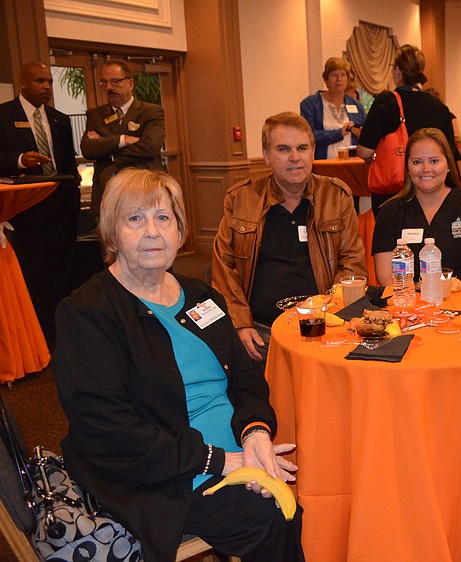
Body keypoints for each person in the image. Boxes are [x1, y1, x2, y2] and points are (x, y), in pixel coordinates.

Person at [53, 168, 305, 562]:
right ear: (112, 233)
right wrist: (220, 461)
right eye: (134, 219)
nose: (152, 231)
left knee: (300, 483)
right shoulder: (87, 313)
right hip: (160, 472)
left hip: (237, 448)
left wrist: (256, 434)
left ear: (180, 230)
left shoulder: (200, 295)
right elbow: (107, 428)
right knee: (272, 515)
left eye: (163, 217)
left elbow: (246, 378)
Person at [212, 112, 366, 361]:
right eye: (283, 149)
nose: (295, 157)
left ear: (312, 151)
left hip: (323, 325)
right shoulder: (241, 199)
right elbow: (224, 270)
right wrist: (241, 324)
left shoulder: (336, 196)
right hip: (261, 330)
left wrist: (327, 315)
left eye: (302, 148)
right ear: (266, 155)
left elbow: (352, 265)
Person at [0, 62, 80, 345]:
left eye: (49, 81)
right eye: (39, 81)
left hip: (62, 211)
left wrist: (74, 199)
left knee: (62, 276)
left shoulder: (60, 119)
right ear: (22, 83)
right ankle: (40, 338)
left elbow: (69, 163)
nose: (46, 86)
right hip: (27, 213)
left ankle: (62, 335)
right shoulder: (4, 115)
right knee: (36, 277)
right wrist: (20, 160)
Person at [372, 128, 461, 285]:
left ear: (448, 165)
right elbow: (386, 278)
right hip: (407, 306)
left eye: (434, 161)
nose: (426, 169)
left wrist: (457, 305)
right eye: (417, 162)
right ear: (407, 168)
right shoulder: (390, 213)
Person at [357, 44, 458, 212]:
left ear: (397, 70)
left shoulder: (387, 102)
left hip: (393, 192)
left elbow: (364, 152)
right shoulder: (439, 106)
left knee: (392, 235)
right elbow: (450, 151)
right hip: (432, 191)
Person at [80, 60, 165, 222]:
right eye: (104, 82)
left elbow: (149, 148)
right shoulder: (96, 115)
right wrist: (122, 140)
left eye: (115, 81)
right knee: (109, 245)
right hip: (107, 194)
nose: (109, 87)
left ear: (130, 83)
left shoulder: (151, 112)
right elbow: (88, 149)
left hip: (143, 190)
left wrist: (107, 149)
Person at [299, 57, 366, 160]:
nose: (339, 79)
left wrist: (361, 134)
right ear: (326, 79)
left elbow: (366, 136)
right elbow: (308, 137)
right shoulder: (310, 105)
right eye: (334, 75)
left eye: (343, 75)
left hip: (351, 166)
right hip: (322, 165)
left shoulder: (357, 106)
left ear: (347, 79)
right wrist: (339, 133)